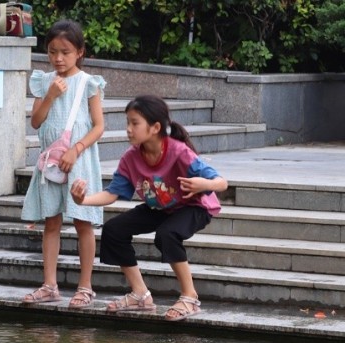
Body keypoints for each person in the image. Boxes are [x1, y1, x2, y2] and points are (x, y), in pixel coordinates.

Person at [70, 94, 228, 320]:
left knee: (167, 234)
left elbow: (222, 183)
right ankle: (140, 294)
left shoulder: (179, 152)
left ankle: (190, 297)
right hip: (161, 208)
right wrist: (82, 200)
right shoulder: (130, 158)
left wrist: (205, 184)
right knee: (114, 230)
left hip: (195, 206)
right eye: (128, 123)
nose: (128, 129)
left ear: (154, 127)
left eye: (135, 123)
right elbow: (112, 193)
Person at [20, 19, 107, 309]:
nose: (58, 58)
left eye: (65, 52)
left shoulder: (88, 83)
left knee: (83, 222)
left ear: (80, 52)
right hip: (50, 165)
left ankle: (85, 287)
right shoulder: (45, 81)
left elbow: (98, 126)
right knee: (52, 222)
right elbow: (35, 121)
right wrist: (50, 95)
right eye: (53, 51)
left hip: (79, 162)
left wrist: (77, 150)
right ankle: (49, 285)